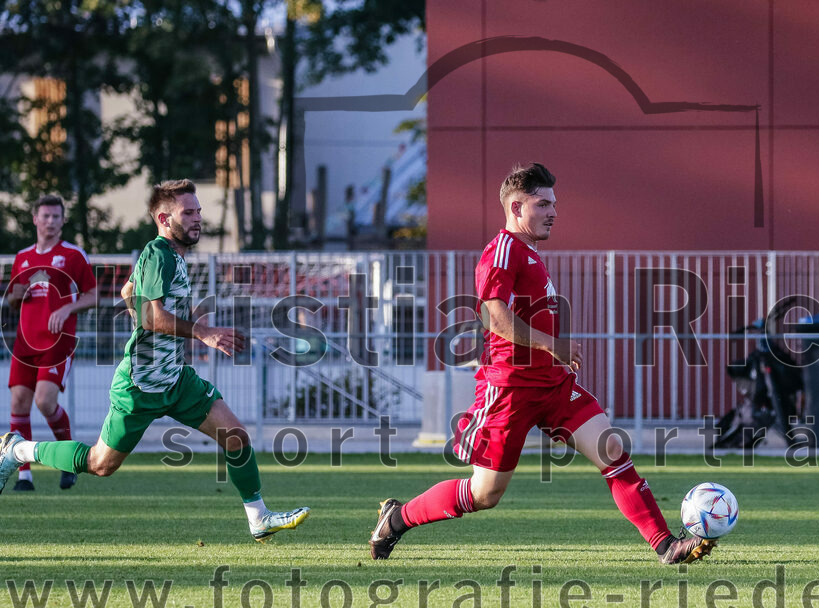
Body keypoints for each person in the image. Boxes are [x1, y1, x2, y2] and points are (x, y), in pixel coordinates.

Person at [369, 163, 716, 564]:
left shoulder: (530, 252)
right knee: (485, 495)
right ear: (516, 207)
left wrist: (553, 355)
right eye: (544, 203)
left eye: (554, 202)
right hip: (509, 388)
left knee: (613, 449)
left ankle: (666, 545)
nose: (554, 211)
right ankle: (397, 519)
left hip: (552, 384)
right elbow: (493, 317)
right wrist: (553, 344)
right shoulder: (502, 249)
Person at [0, 179, 309, 542]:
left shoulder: (170, 256)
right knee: (100, 465)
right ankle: (18, 448)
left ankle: (258, 518)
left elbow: (128, 291)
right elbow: (151, 317)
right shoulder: (159, 253)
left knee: (236, 437)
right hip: (141, 383)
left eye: (198, 211)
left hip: (176, 379)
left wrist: (189, 320)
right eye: (189, 212)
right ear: (164, 218)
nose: (198, 218)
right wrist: (201, 332)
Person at [6, 195, 96, 491]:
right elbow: (13, 299)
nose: (51, 222)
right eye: (45, 216)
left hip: (57, 342)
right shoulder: (22, 257)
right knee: (18, 403)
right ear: (35, 219)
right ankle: (24, 475)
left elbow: (92, 295)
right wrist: (16, 295)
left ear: (63, 220)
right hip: (24, 342)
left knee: (44, 402)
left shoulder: (72, 255)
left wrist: (66, 308)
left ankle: (68, 458)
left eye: (56, 216)